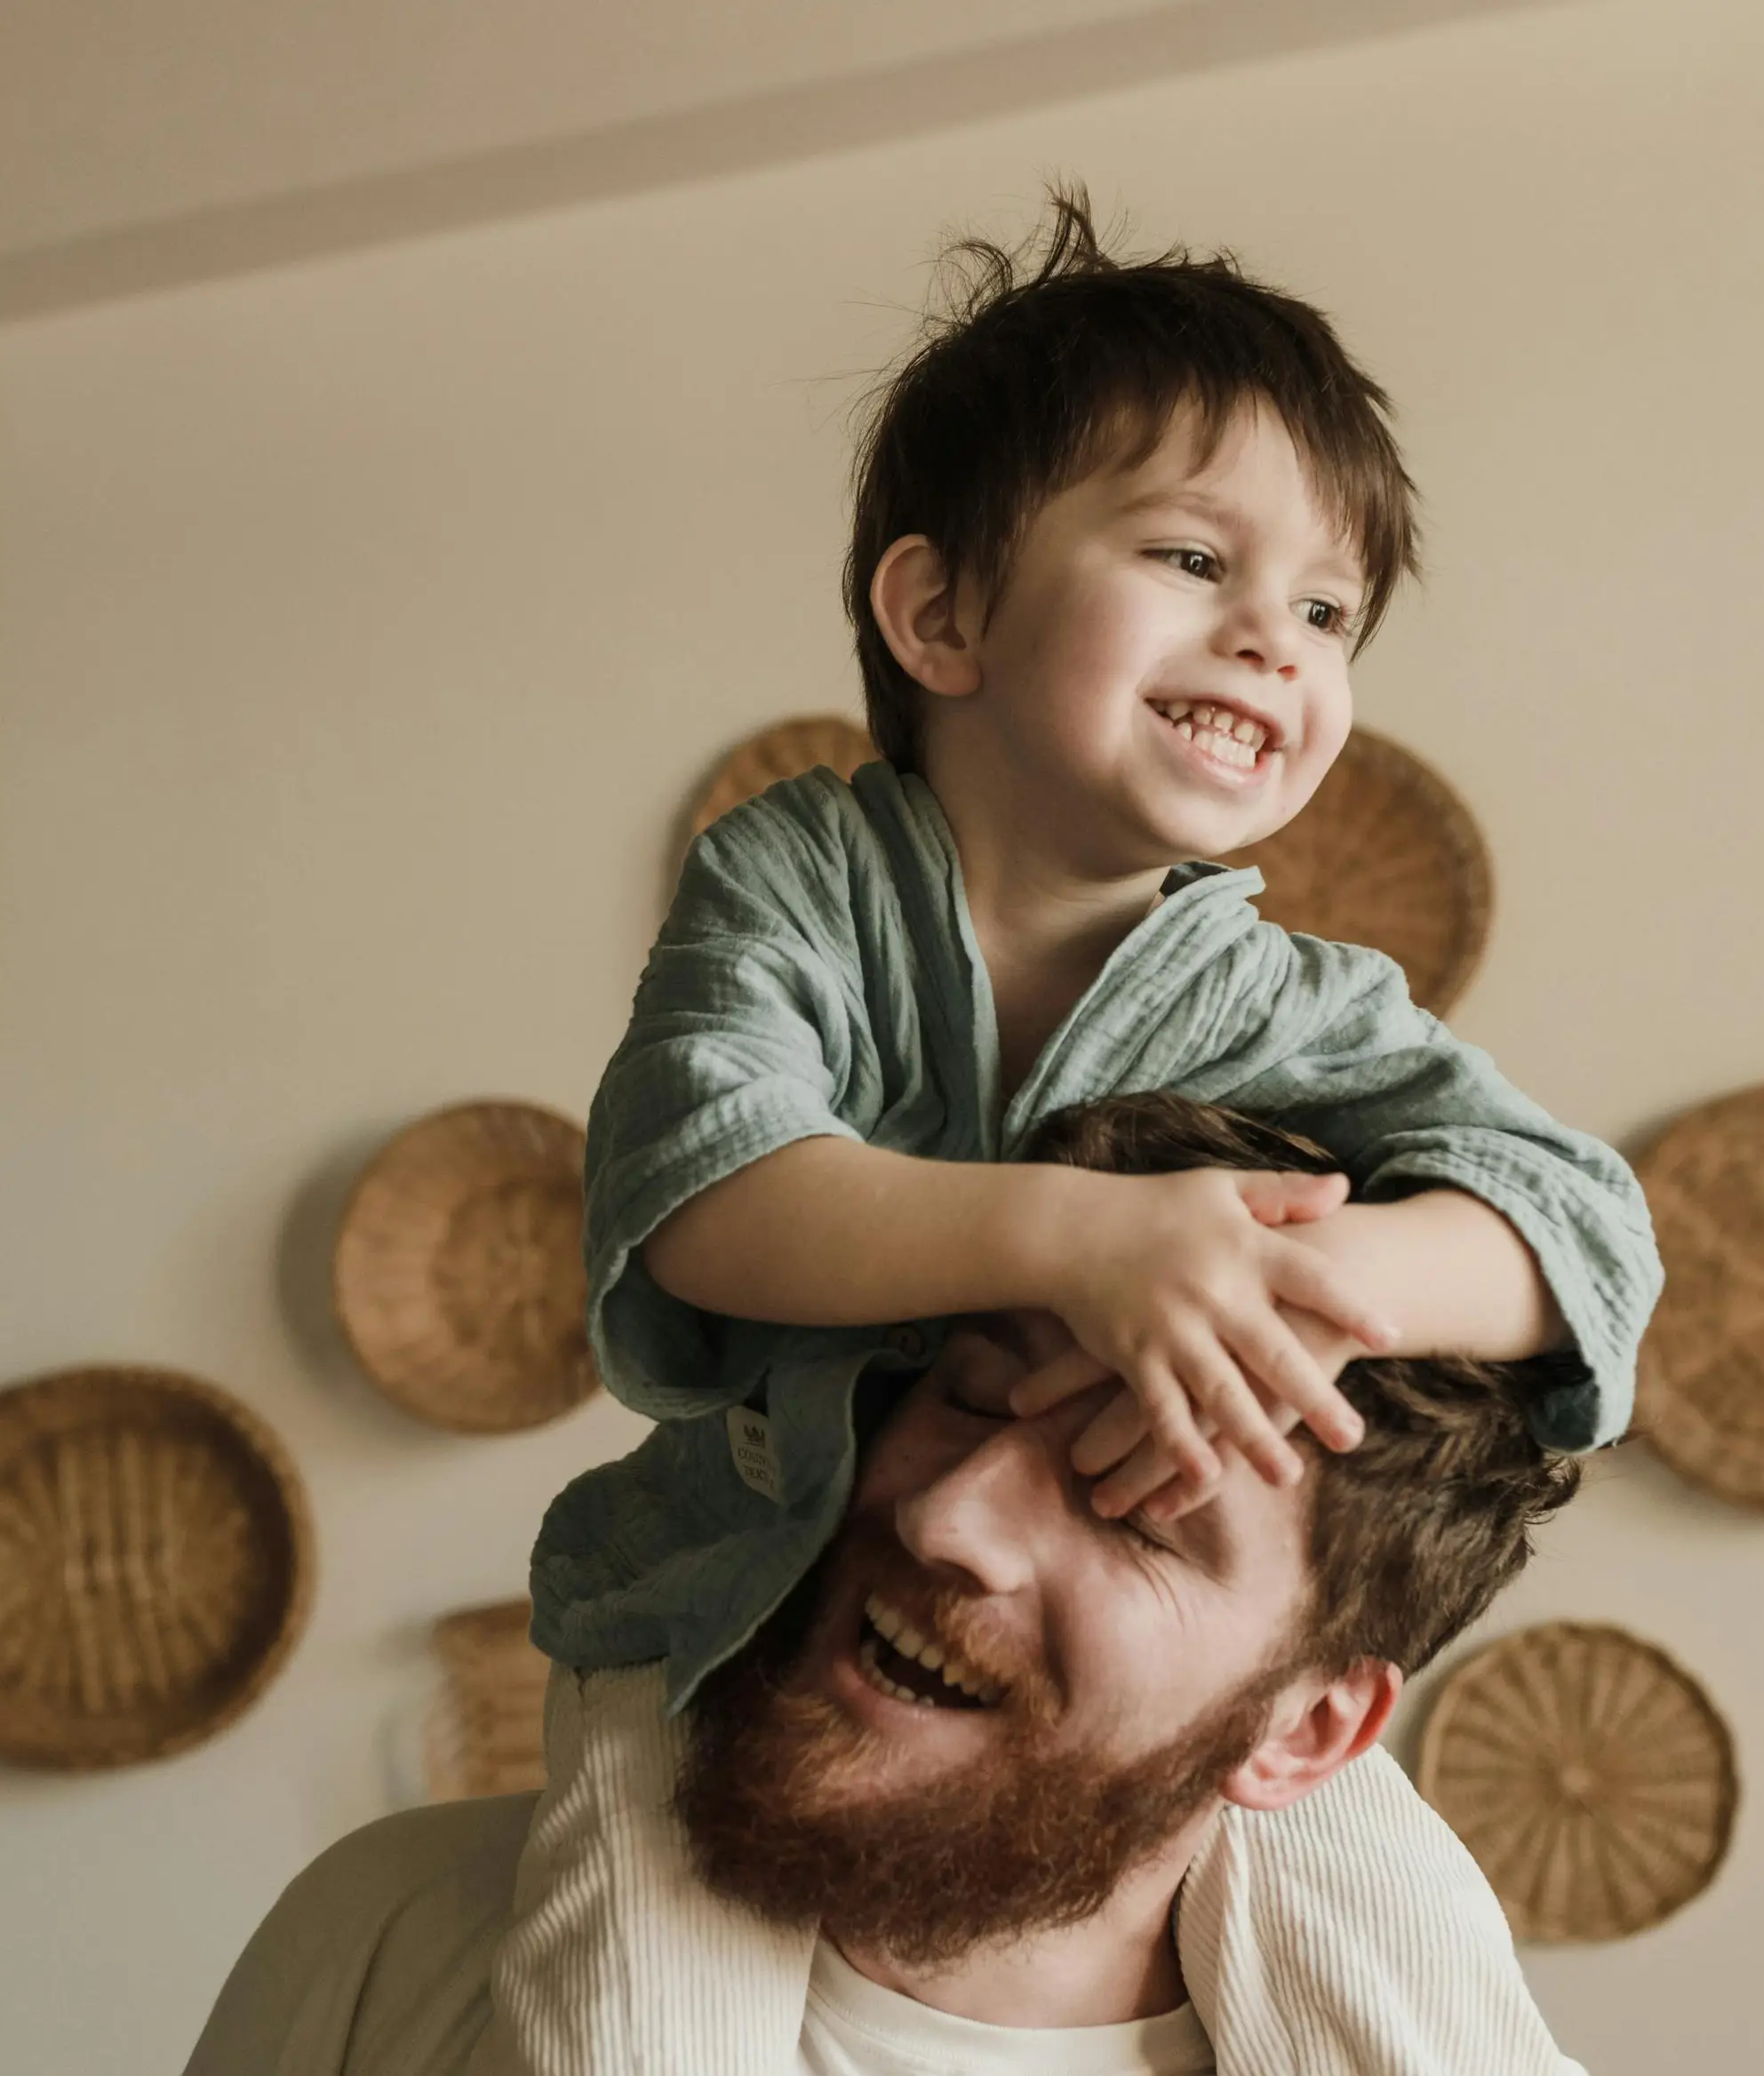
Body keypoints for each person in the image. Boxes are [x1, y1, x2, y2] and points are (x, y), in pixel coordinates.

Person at [515, 188, 1662, 2068]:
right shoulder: (803, 879)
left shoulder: (1291, 1000)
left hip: (1151, 1709)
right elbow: (707, 1195)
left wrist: (1312, 1279)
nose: (1274, 641)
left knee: (1430, 1969)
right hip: (744, 1618)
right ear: (942, 612)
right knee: (629, 2002)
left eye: (1326, 612)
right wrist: (1088, 1239)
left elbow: (1587, 1236)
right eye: (1196, 559)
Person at [188, 1097, 1594, 2076]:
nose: (946, 1514)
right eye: (968, 1398)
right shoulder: (389, 1934)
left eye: (1136, 1508)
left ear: (1307, 1731)